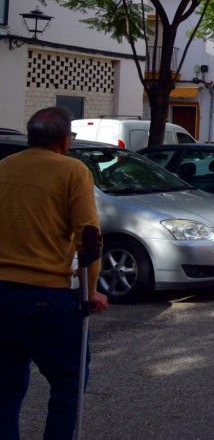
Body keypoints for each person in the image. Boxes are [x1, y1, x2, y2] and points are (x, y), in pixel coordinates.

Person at [0, 106, 109, 439]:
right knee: (69, 383)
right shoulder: (72, 171)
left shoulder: (3, 168)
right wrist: (89, 290)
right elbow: (88, 237)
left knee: (4, 388)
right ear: (64, 140)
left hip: (2, 295)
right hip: (46, 296)